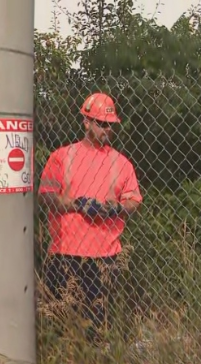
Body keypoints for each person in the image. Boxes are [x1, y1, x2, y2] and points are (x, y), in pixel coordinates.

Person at [38, 92, 143, 344]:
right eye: (101, 123)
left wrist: (114, 209)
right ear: (86, 122)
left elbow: (134, 201)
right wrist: (76, 205)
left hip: (105, 258)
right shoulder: (62, 157)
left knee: (99, 331)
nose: (108, 129)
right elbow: (46, 195)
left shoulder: (121, 163)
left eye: (110, 125)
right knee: (62, 330)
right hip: (65, 254)